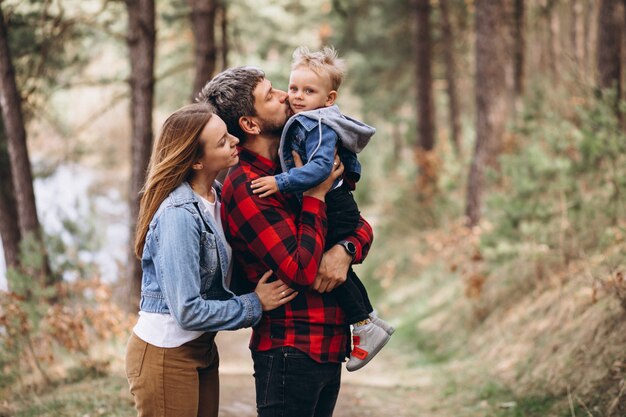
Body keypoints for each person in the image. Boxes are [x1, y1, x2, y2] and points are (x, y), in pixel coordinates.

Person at [197, 66, 374, 417]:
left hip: (328, 344)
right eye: (271, 95)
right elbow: (299, 270)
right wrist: (315, 196)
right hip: (290, 350)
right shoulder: (249, 186)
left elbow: (357, 225)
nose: (286, 96)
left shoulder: (293, 164)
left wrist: (345, 249)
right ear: (250, 124)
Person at [125, 103, 299, 417]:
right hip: (166, 353)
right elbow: (188, 311)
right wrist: (254, 303)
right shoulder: (179, 215)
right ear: (195, 161)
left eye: (228, 133)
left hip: (202, 348)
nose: (235, 140)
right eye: (221, 141)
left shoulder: (217, 197)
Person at [249, 46, 394, 372]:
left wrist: (281, 182)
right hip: (334, 204)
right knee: (333, 263)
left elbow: (319, 171)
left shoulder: (316, 125)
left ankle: (364, 324)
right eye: (294, 88)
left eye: (308, 91)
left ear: (329, 99)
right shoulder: (309, 120)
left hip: (334, 204)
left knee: (321, 262)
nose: (295, 97)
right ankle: (369, 323)